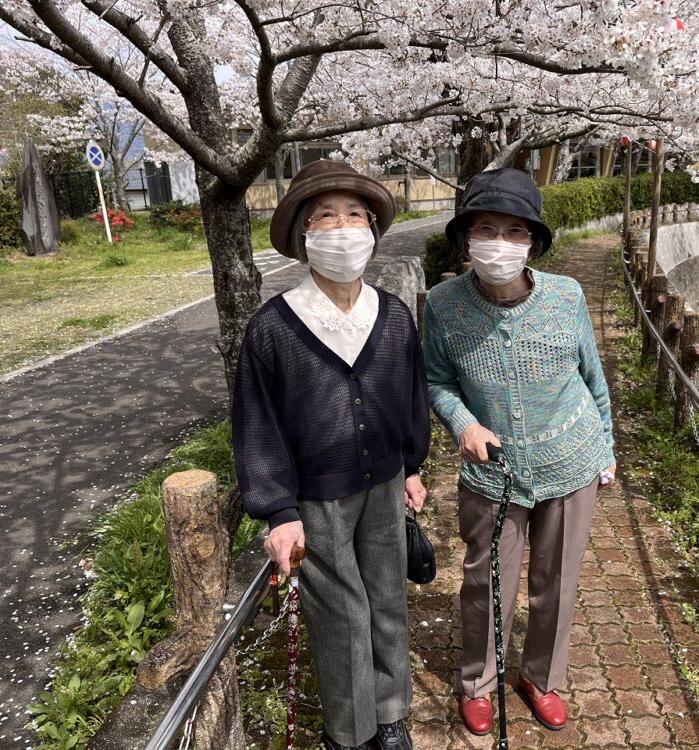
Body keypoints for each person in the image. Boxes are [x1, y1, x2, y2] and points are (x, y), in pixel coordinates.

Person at [232, 159, 429, 750]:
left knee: (388, 600)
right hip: (318, 496)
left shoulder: (392, 316)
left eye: (354, 215)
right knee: (342, 616)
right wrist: (277, 509)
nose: (342, 228)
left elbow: (410, 395)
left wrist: (413, 465)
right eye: (325, 216)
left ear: (371, 229)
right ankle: (351, 730)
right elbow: (257, 424)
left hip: (386, 482)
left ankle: (390, 714)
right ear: (303, 234)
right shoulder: (272, 328)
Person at [422, 168, 617, 735]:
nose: (500, 243)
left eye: (515, 231)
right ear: (466, 238)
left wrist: (605, 446)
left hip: (572, 459)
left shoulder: (566, 296)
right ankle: (478, 681)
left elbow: (593, 377)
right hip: (492, 472)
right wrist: (462, 422)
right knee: (487, 581)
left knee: (558, 580)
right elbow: (435, 381)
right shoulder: (442, 305)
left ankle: (541, 676)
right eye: (487, 229)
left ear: (532, 242)